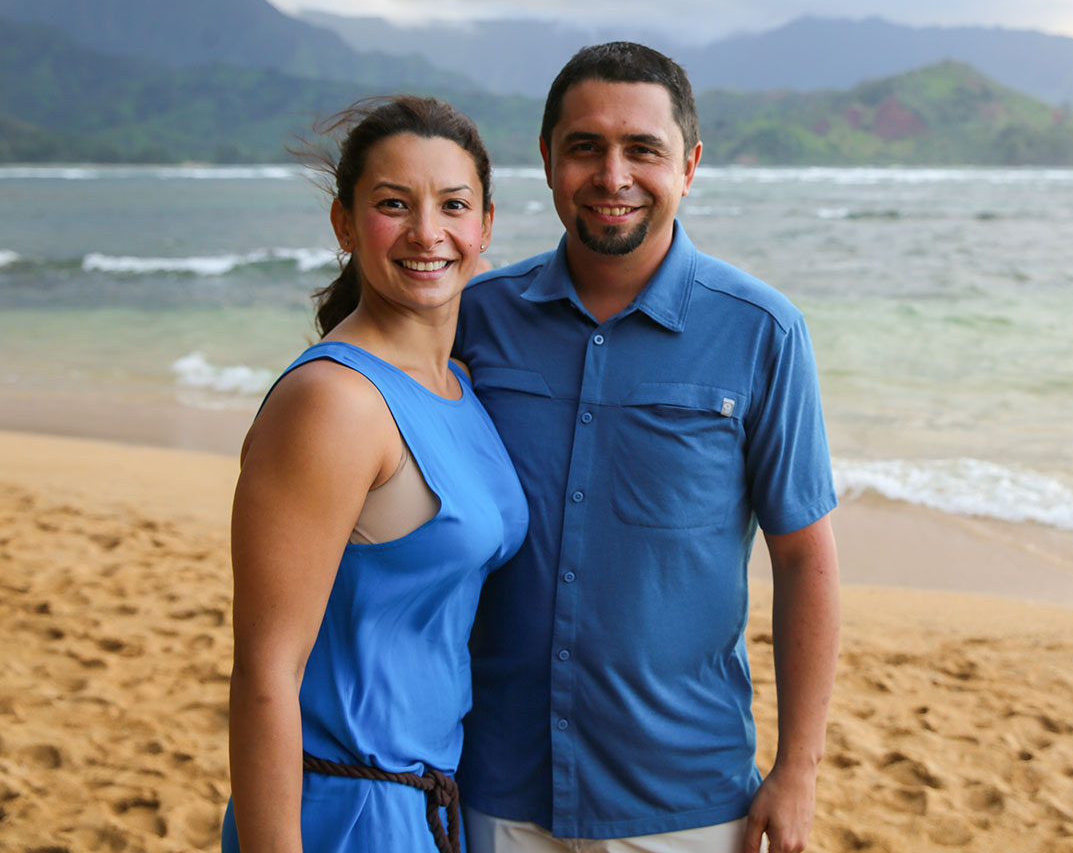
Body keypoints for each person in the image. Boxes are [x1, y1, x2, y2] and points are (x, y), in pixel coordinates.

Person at [455, 43, 841, 853]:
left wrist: (797, 767)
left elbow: (805, 557)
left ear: (689, 165)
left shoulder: (762, 332)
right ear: (548, 160)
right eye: (586, 147)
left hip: (688, 800)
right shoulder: (474, 318)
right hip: (495, 781)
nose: (613, 175)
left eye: (643, 149)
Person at [223, 96, 528, 853]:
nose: (428, 233)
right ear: (345, 224)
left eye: (452, 205)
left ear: (485, 225)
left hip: (431, 809)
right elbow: (266, 673)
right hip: (345, 815)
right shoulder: (334, 403)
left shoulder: (459, 385)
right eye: (394, 204)